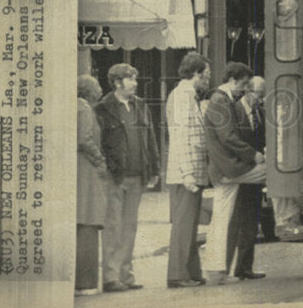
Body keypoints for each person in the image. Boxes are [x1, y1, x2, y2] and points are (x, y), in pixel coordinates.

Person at [96, 63, 159, 293]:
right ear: (116, 82)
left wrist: (154, 168)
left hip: (137, 175)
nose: (135, 83)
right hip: (115, 177)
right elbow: (98, 142)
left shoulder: (140, 105)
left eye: (135, 78)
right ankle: (111, 278)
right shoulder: (103, 108)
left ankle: (126, 276)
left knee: (130, 228)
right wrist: (106, 168)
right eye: (130, 79)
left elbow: (150, 138)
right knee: (113, 227)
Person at [203, 62, 266, 285]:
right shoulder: (220, 101)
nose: (244, 89)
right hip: (229, 168)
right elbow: (228, 137)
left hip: (225, 168)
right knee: (271, 171)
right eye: (243, 84)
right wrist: (253, 155)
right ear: (231, 80)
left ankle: (216, 271)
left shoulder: (222, 100)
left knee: (222, 220)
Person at [165, 52, 211, 289]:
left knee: (191, 223)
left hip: (191, 169)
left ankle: (191, 271)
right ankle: (177, 274)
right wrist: (187, 173)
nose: (207, 80)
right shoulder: (182, 97)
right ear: (196, 73)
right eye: (206, 75)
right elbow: (180, 136)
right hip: (187, 171)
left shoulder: (188, 96)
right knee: (184, 224)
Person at [226, 75, 267, 280]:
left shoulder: (259, 112)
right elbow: (231, 141)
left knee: (251, 221)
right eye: (259, 95)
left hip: (256, 174)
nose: (261, 100)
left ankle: (244, 267)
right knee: (236, 222)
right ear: (248, 91)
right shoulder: (234, 111)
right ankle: (226, 268)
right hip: (241, 172)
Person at [76, 75, 107, 296]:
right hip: (86, 169)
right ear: (89, 90)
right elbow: (85, 139)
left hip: (79, 168)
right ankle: (85, 282)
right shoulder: (85, 109)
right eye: (97, 85)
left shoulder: (76, 107)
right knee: (89, 220)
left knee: (82, 221)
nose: (100, 89)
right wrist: (99, 160)